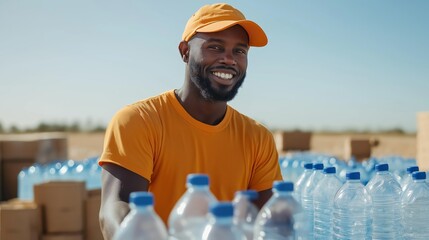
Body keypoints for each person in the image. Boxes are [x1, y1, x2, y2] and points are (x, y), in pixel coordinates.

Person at [98, 3, 283, 239]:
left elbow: (269, 224)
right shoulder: (139, 121)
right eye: (215, 47)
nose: (229, 59)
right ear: (184, 51)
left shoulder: (258, 138)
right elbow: (114, 209)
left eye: (240, 51)